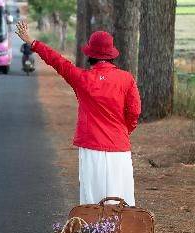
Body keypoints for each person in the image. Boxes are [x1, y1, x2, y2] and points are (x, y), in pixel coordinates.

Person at [16, 21, 141, 206]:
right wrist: (122, 132)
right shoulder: (126, 79)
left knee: (92, 202)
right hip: (119, 149)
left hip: (91, 147)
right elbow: (134, 112)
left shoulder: (82, 78)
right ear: (112, 54)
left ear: (90, 54)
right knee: (122, 202)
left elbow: (58, 61)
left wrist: (32, 42)